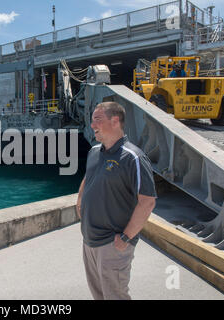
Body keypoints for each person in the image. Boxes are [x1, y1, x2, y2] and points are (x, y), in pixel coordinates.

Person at [76, 101, 156, 300]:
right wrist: (80, 203)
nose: (92, 124)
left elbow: (147, 201)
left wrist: (127, 237)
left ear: (115, 121)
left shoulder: (133, 157)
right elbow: (88, 178)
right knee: (99, 295)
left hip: (113, 244)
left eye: (97, 120)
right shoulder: (94, 152)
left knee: (115, 296)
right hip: (90, 240)